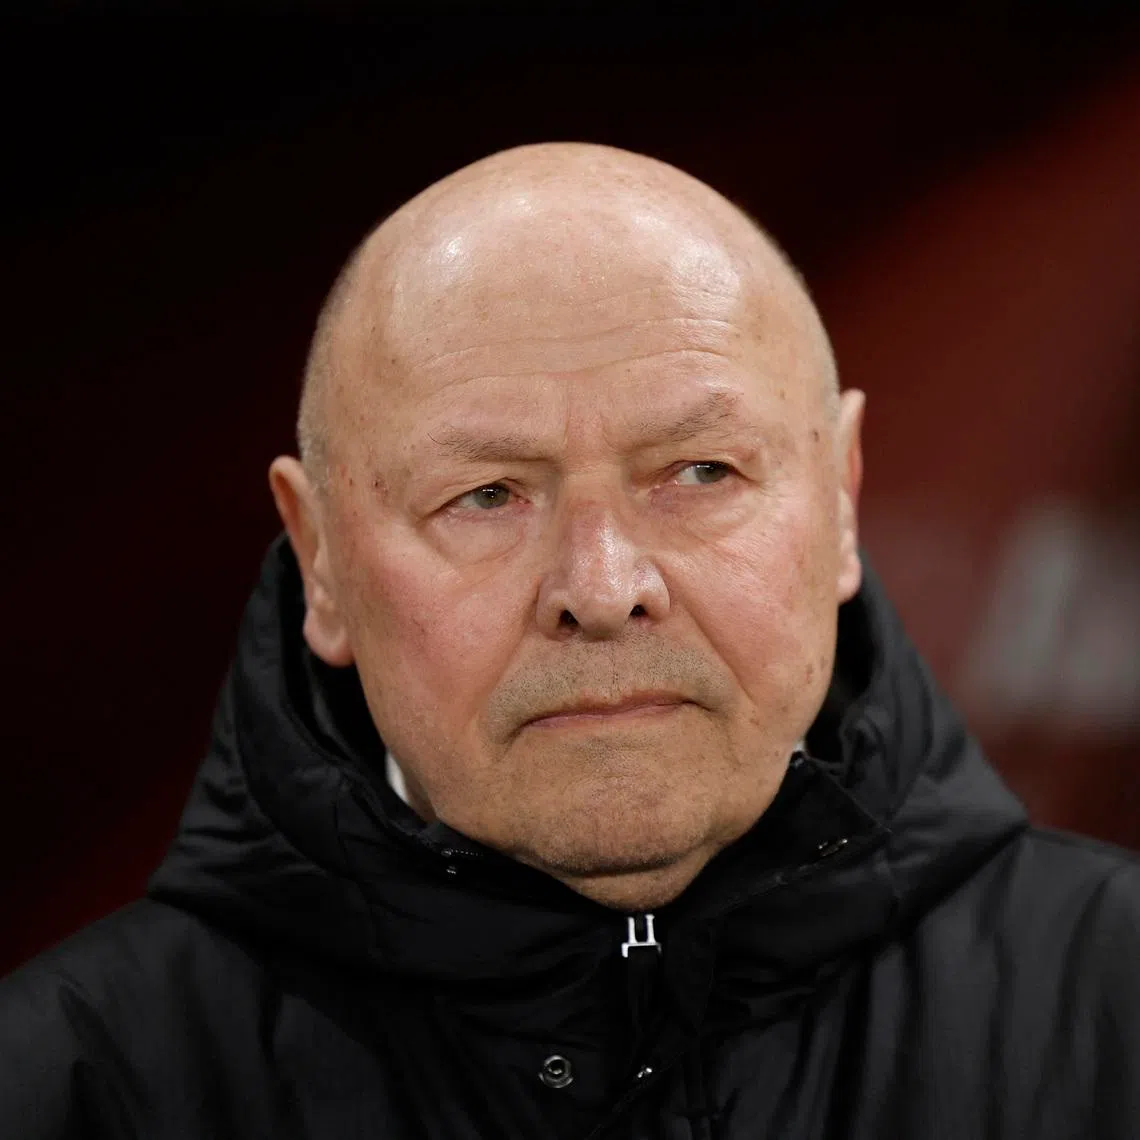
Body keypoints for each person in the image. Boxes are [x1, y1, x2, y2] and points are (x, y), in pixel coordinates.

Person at [1, 142, 1137, 1140]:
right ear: (322, 561)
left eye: (701, 472)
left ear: (841, 498)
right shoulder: (58, 1086)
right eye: (487, 494)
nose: (602, 588)